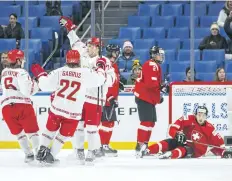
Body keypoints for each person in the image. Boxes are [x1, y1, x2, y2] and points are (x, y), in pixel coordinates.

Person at [30, 50, 107, 164]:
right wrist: (100, 66)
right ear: (79, 61)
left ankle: (42, 151)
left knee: (49, 131)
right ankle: (51, 155)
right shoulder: (85, 73)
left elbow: (45, 85)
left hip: (57, 109)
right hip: (73, 113)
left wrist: (41, 75)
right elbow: (100, 80)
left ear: (66, 60)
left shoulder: (59, 71)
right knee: (62, 136)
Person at [59, 16, 115, 164]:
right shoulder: (82, 52)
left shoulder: (104, 61)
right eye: (89, 45)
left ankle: (91, 151)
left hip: (95, 99)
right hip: (80, 98)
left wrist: (101, 74)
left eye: (92, 46)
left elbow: (112, 80)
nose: (89, 47)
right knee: (78, 126)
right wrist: (69, 28)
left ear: (98, 48)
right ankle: (78, 151)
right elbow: (74, 40)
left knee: (91, 128)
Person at [138, 105, 232, 159]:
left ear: (206, 116)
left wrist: (224, 152)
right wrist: (177, 134)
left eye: (203, 115)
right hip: (183, 141)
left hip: (195, 150)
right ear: (195, 114)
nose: (201, 117)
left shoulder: (210, 128)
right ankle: (147, 150)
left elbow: (219, 145)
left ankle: (171, 154)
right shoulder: (188, 119)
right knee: (169, 141)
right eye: (199, 114)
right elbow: (172, 128)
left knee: (185, 149)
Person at [1, 49, 40, 163]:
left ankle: (28, 154)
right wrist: (36, 83)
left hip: (6, 107)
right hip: (22, 105)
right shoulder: (22, 73)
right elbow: (27, 91)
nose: (23, 61)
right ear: (17, 60)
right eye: (21, 59)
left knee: (19, 133)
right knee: (32, 132)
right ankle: (38, 153)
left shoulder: (4, 72)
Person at [133, 46, 165, 155]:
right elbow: (151, 84)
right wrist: (162, 87)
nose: (161, 57)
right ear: (154, 54)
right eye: (160, 54)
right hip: (144, 97)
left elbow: (152, 85)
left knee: (151, 123)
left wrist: (157, 97)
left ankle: (145, 144)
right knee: (146, 122)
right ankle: (140, 144)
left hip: (148, 98)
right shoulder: (151, 65)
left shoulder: (154, 65)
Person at [98, 44, 120, 157]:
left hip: (111, 98)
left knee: (110, 122)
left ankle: (105, 144)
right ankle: (103, 146)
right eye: (116, 52)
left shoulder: (113, 64)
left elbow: (113, 81)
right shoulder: (107, 64)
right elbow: (105, 83)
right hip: (107, 99)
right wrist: (109, 97)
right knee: (106, 123)